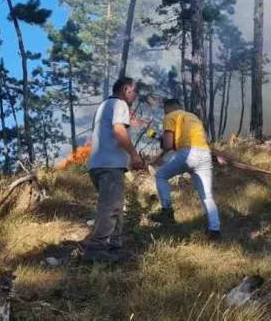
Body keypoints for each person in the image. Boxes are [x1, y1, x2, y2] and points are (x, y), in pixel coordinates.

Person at [83, 77, 144, 263]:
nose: (135, 96)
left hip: (97, 164)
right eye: (134, 92)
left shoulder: (104, 106)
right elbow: (119, 131)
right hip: (109, 165)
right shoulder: (119, 104)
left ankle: (115, 244)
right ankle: (96, 248)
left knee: (115, 205)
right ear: (125, 89)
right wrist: (134, 154)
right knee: (110, 206)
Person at [149, 98, 222, 240]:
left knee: (161, 176)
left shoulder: (170, 116)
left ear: (168, 108)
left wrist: (161, 141)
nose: (164, 114)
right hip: (205, 154)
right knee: (207, 196)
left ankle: (167, 211)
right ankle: (215, 231)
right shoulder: (193, 117)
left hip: (189, 154)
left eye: (164, 111)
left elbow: (168, 145)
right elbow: (192, 141)